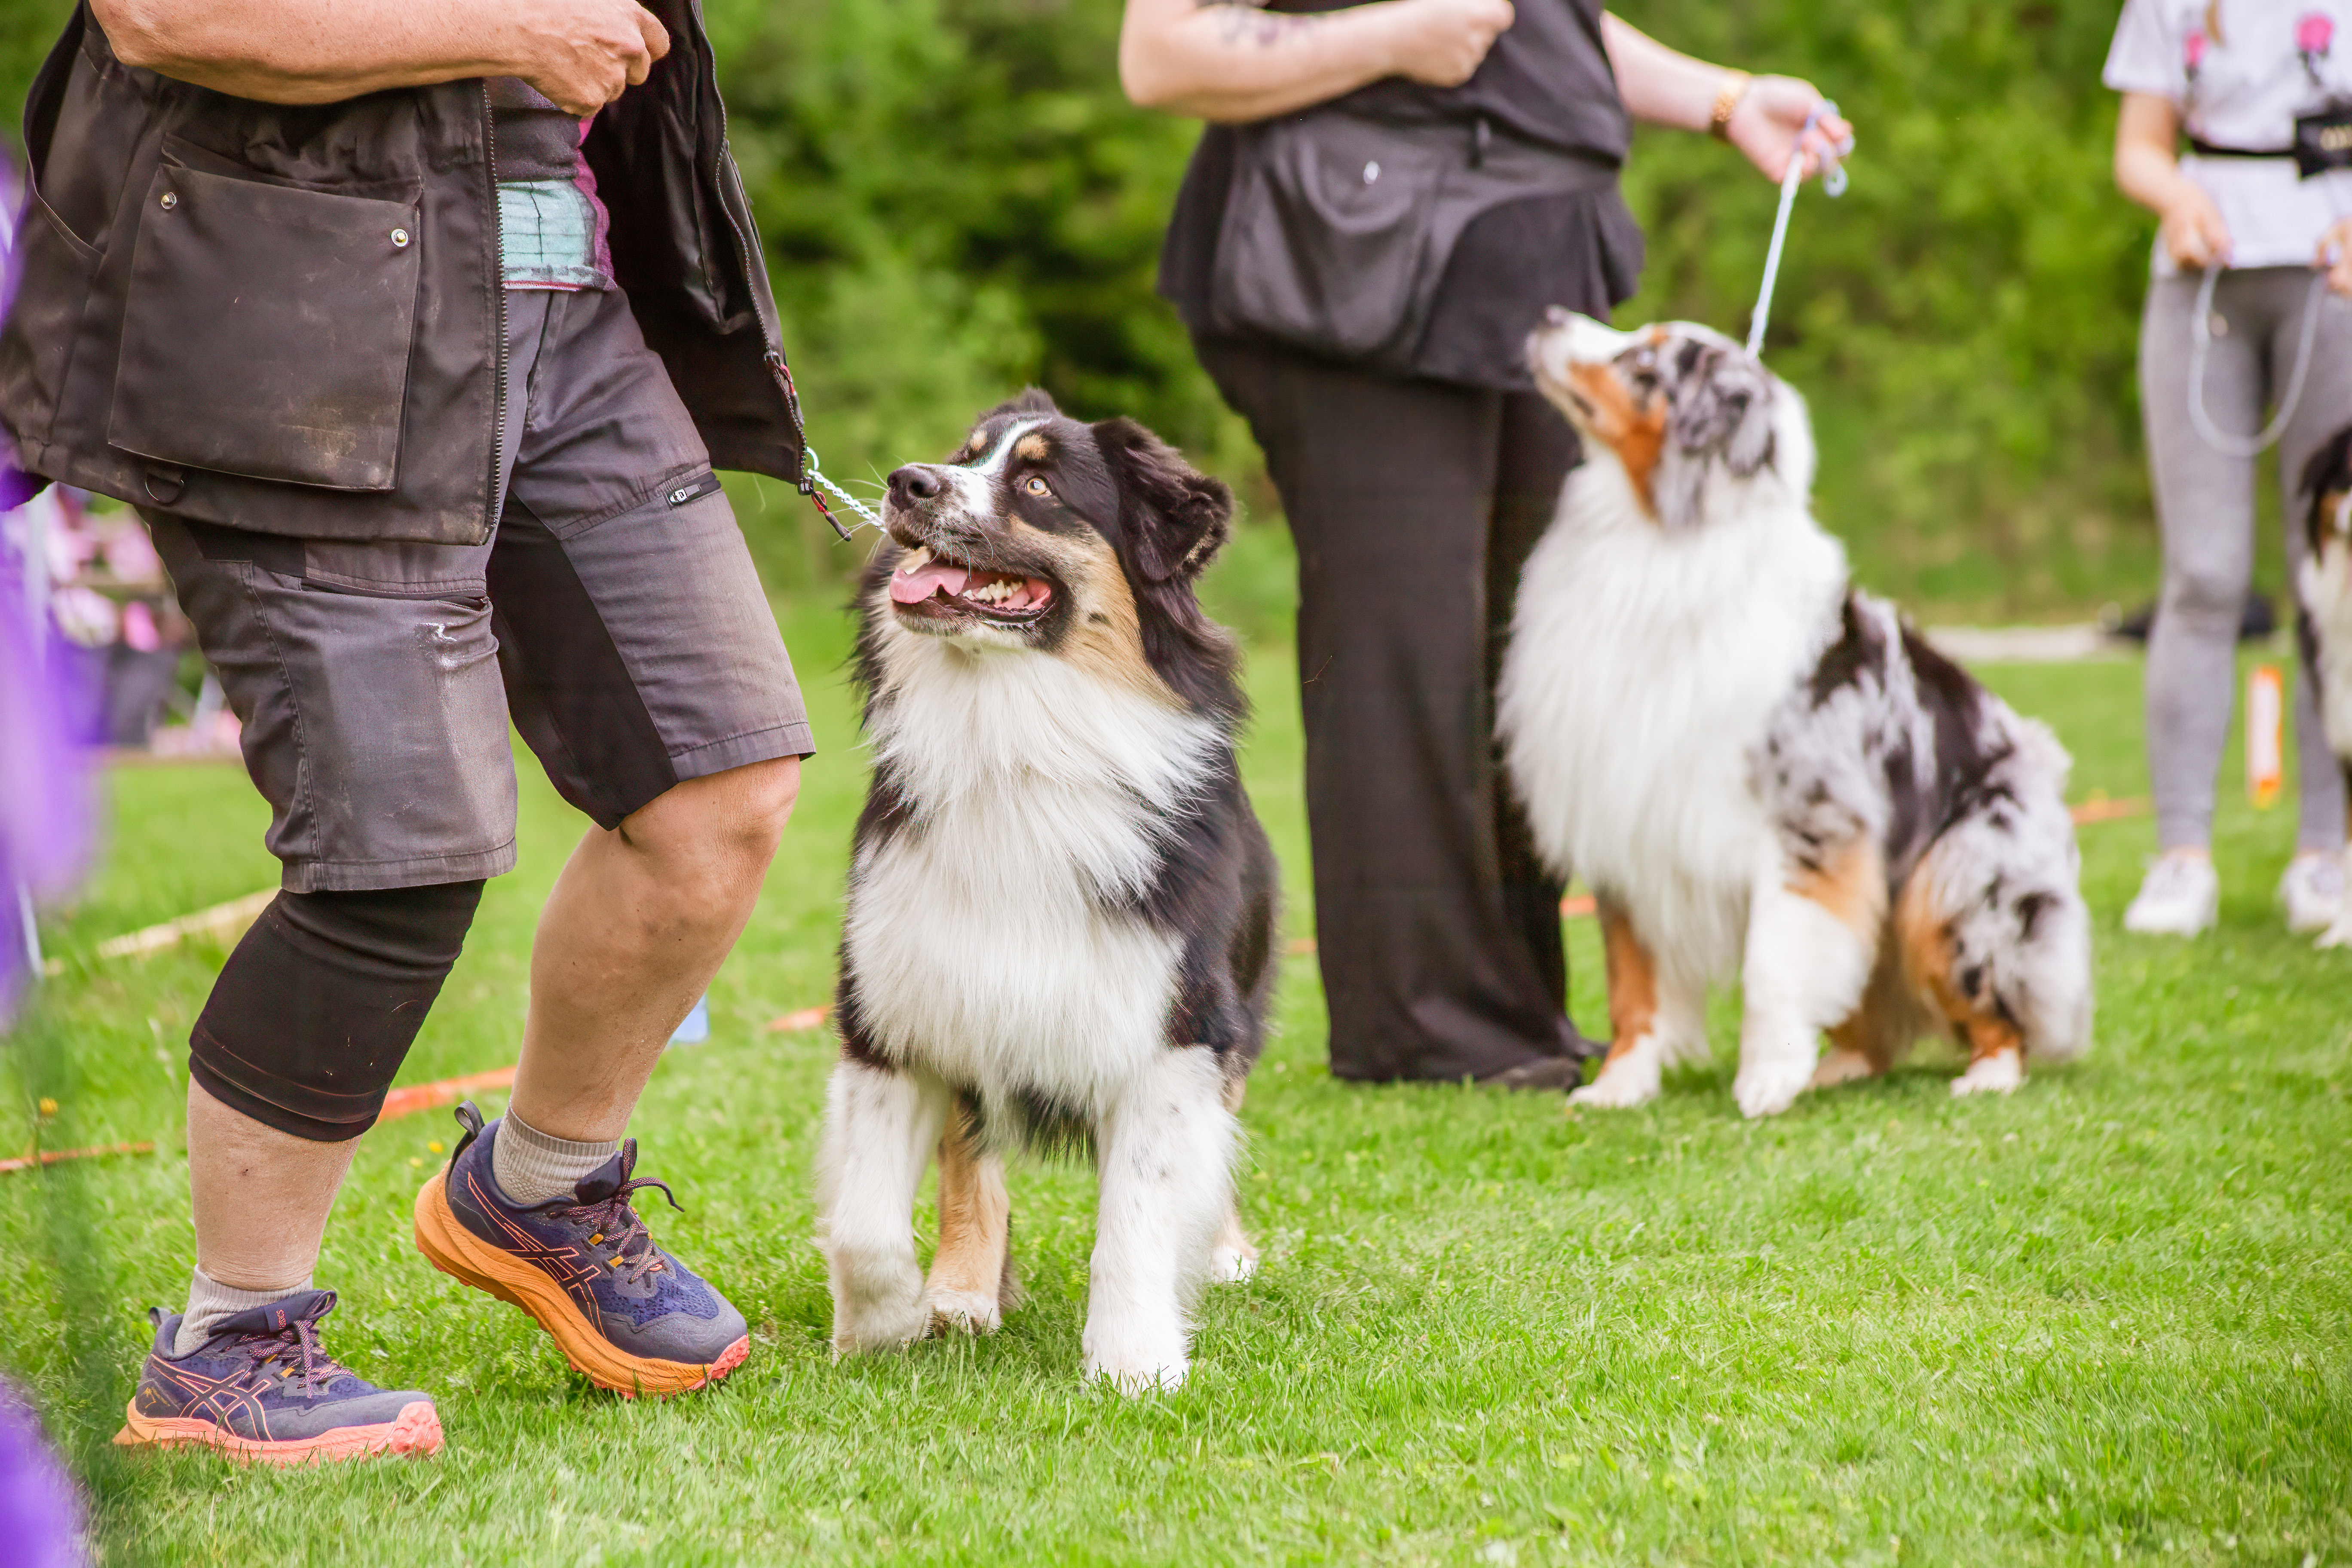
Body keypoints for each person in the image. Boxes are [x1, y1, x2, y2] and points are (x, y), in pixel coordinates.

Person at [0, 0, 816, 1459]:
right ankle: (226, 1341)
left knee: (720, 780)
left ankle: (545, 1184)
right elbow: (162, 15)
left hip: (557, 278)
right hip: (282, 288)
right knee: (396, 843)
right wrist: (512, 25)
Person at [1120, 0, 1852, 1086]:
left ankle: (1516, 1019)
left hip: (1527, 255)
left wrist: (1724, 99)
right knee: (1408, 651)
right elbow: (1159, 51)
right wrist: (1393, 38)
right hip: (1356, 267)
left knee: (1532, 655)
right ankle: (1430, 1035)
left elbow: (1544, 30)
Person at [2106, 0, 2352, 938]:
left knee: (2328, 575)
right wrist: (2175, 198)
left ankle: (2326, 853)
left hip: (2330, 283)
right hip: (2201, 281)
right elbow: (2139, 145)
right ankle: (2181, 856)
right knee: (2203, 573)